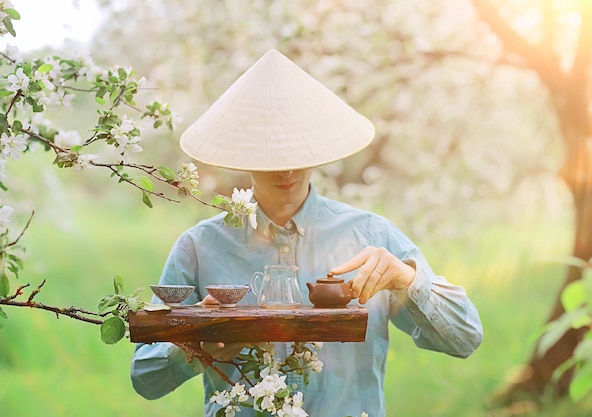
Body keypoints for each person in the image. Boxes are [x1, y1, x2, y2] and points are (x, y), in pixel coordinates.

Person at [130, 49, 483, 417]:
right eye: (272, 154)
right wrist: (194, 347)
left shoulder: (370, 236)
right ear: (243, 154)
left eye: (298, 152)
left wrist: (407, 279)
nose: (288, 170)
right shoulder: (199, 248)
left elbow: (465, 338)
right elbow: (145, 378)